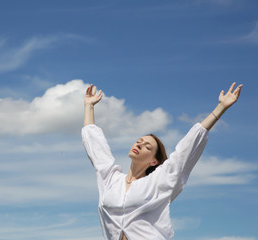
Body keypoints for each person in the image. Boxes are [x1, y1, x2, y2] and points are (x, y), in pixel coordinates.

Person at [82, 83, 243, 240]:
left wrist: (220, 108)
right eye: (139, 141)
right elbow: (97, 147)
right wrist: (89, 106)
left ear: (154, 161)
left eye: (147, 146)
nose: (139, 144)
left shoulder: (158, 181)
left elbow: (185, 151)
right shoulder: (110, 180)